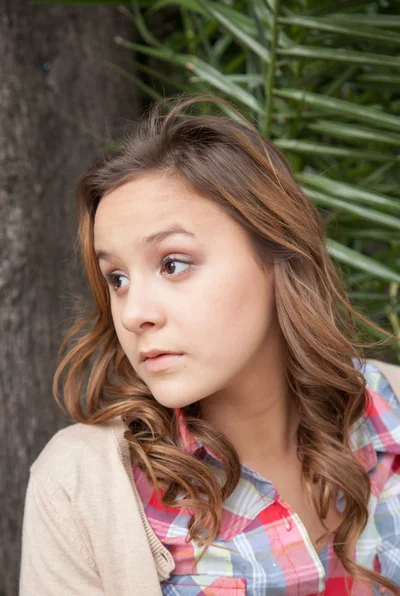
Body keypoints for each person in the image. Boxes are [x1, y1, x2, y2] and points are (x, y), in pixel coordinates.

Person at [19, 94, 400, 595]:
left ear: (277, 256)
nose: (134, 314)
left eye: (173, 264)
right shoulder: (80, 488)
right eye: (117, 278)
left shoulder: (387, 412)